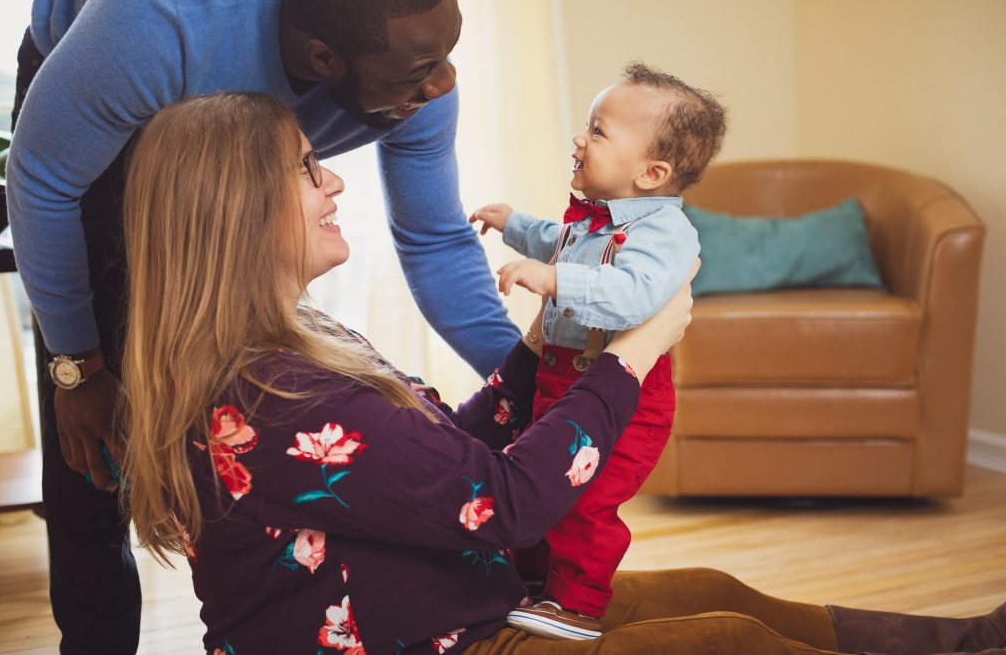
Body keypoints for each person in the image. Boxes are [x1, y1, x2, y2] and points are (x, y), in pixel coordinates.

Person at [121, 92, 1005, 655]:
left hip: (466, 599)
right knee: (723, 638)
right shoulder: (275, 397)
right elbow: (502, 499)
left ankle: (974, 640)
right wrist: (629, 357)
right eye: (307, 168)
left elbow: (440, 457)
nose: (333, 185)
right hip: (443, 639)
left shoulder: (294, 345)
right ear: (238, 213)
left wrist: (546, 345)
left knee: (713, 592)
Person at [6, 0, 516, 651]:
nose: (444, 84)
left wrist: (537, 378)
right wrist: (76, 365)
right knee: (96, 436)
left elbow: (434, 239)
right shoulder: (159, 18)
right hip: (99, 82)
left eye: (449, 53)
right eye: (424, 69)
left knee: (249, 365)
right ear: (322, 59)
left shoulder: (410, 59)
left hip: (242, 95)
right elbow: (42, 179)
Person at [468, 62, 725, 639]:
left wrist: (553, 281)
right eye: (587, 126)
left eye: (599, 131)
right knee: (540, 481)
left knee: (586, 502)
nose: (580, 138)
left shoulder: (665, 234)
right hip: (561, 384)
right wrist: (512, 224)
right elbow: (553, 240)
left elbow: (634, 296)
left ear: (652, 172)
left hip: (627, 402)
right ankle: (533, 583)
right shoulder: (591, 220)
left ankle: (578, 604)